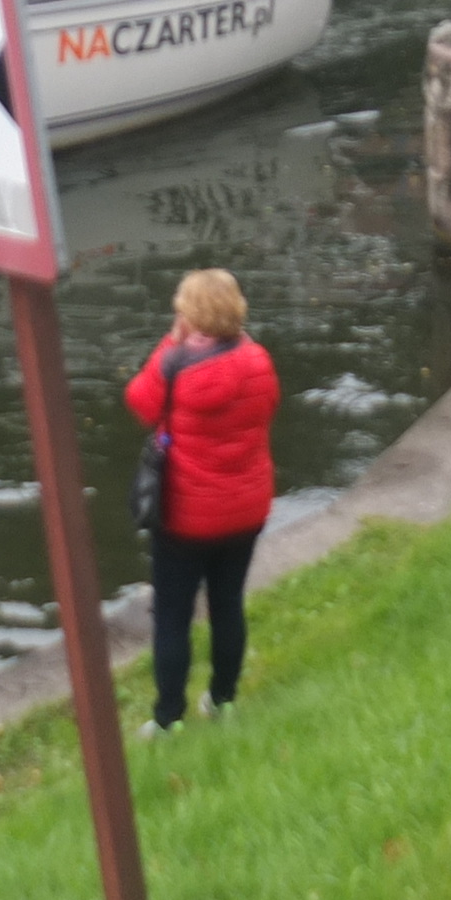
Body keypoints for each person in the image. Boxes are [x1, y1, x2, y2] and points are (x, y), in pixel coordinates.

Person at [125, 268, 279, 735]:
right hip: (245, 510)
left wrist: (168, 345)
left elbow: (140, 403)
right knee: (227, 604)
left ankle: (169, 719)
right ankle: (223, 699)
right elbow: (269, 408)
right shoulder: (258, 361)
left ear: (189, 317)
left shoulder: (175, 367)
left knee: (173, 617)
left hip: (186, 518)